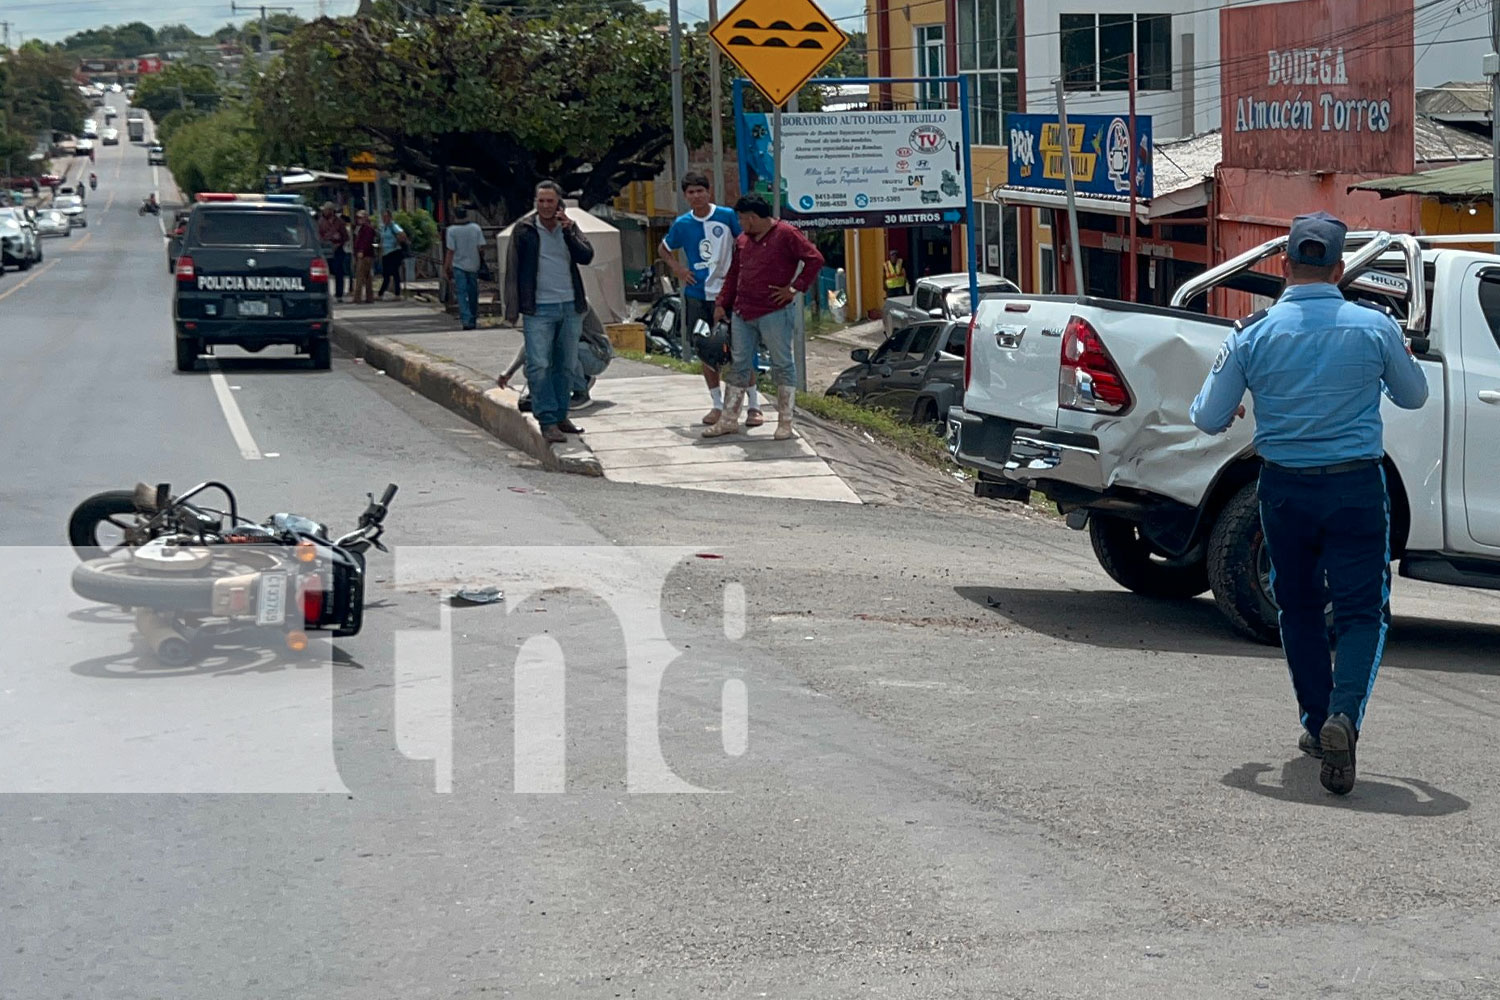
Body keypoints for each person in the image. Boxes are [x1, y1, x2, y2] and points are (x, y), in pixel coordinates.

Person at [1189, 212, 1429, 796]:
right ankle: (1343, 717)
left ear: (1284, 265)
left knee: (1297, 608)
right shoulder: (1373, 327)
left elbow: (1206, 417)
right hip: (1355, 489)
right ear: (1340, 267)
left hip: (1284, 490)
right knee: (1361, 612)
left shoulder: (1253, 332)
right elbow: (1415, 394)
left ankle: (1316, 721)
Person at [705, 193, 824, 441]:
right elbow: (734, 273)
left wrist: (794, 288)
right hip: (742, 310)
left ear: (752, 218)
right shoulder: (743, 241)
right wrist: (721, 303)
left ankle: (785, 421)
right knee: (739, 363)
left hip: (775, 312)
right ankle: (728, 419)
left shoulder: (786, 234)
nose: (740, 223)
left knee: (782, 363)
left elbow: (815, 259)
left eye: (741, 218)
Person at [658, 171, 763, 427]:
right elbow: (664, 248)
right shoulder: (683, 224)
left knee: (741, 349)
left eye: (700, 191)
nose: (696, 196)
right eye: (691, 192)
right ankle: (716, 404)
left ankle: (754, 405)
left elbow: (748, 241)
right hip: (698, 294)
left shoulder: (727, 217)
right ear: (685, 196)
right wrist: (678, 269)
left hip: (731, 295)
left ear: (709, 192)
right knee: (706, 350)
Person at [502, 180, 595, 444]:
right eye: (540, 201)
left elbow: (587, 256)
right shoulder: (525, 230)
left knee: (565, 364)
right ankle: (547, 419)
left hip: (569, 305)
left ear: (558, 203)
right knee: (540, 364)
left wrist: (569, 231)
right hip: (538, 307)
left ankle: (561, 414)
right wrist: (513, 309)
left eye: (549, 201)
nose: (544, 206)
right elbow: (513, 270)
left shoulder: (569, 228)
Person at [444, 205, 486, 331]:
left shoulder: (451, 230)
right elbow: (481, 248)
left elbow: (450, 250)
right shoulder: (476, 228)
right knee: (473, 293)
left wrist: (446, 267)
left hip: (459, 265)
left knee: (461, 293)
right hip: (474, 264)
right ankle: (473, 318)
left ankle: (466, 319)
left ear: (454, 216)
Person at [317, 203, 350, 302]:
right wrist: (327, 238)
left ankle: (339, 295)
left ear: (331, 211)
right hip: (325, 250)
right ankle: (324, 293)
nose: (325, 212)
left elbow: (346, 237)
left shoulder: (339, 222)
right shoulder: (321, 222)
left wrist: (339, 241)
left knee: (339, 273)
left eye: (327, 210)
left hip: (338, 250)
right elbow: (318, 235)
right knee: (323, 273)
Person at [377, 209, 408, 301]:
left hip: (394, 252)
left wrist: (397, 242)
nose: (384, 219)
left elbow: (402, 235)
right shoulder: (383, 227)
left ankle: (396, 294)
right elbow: (382, 239)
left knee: (395, 273)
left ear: (390, 217)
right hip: (386, 253)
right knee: (386, 274)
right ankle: (381, 293)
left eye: (386, 217)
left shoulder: (393, 226)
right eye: (383, 217)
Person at [350, 210, 378, 304]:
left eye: (361, 217)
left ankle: (357, 298)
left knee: (360, 276)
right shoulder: (359, 228)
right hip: (361, 254)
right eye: (358, 217)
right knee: (367, 277)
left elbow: (366, 241)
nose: (359, 219)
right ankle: (369, 297)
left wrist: (361, 251)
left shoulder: (368, 228)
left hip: (365, 255)